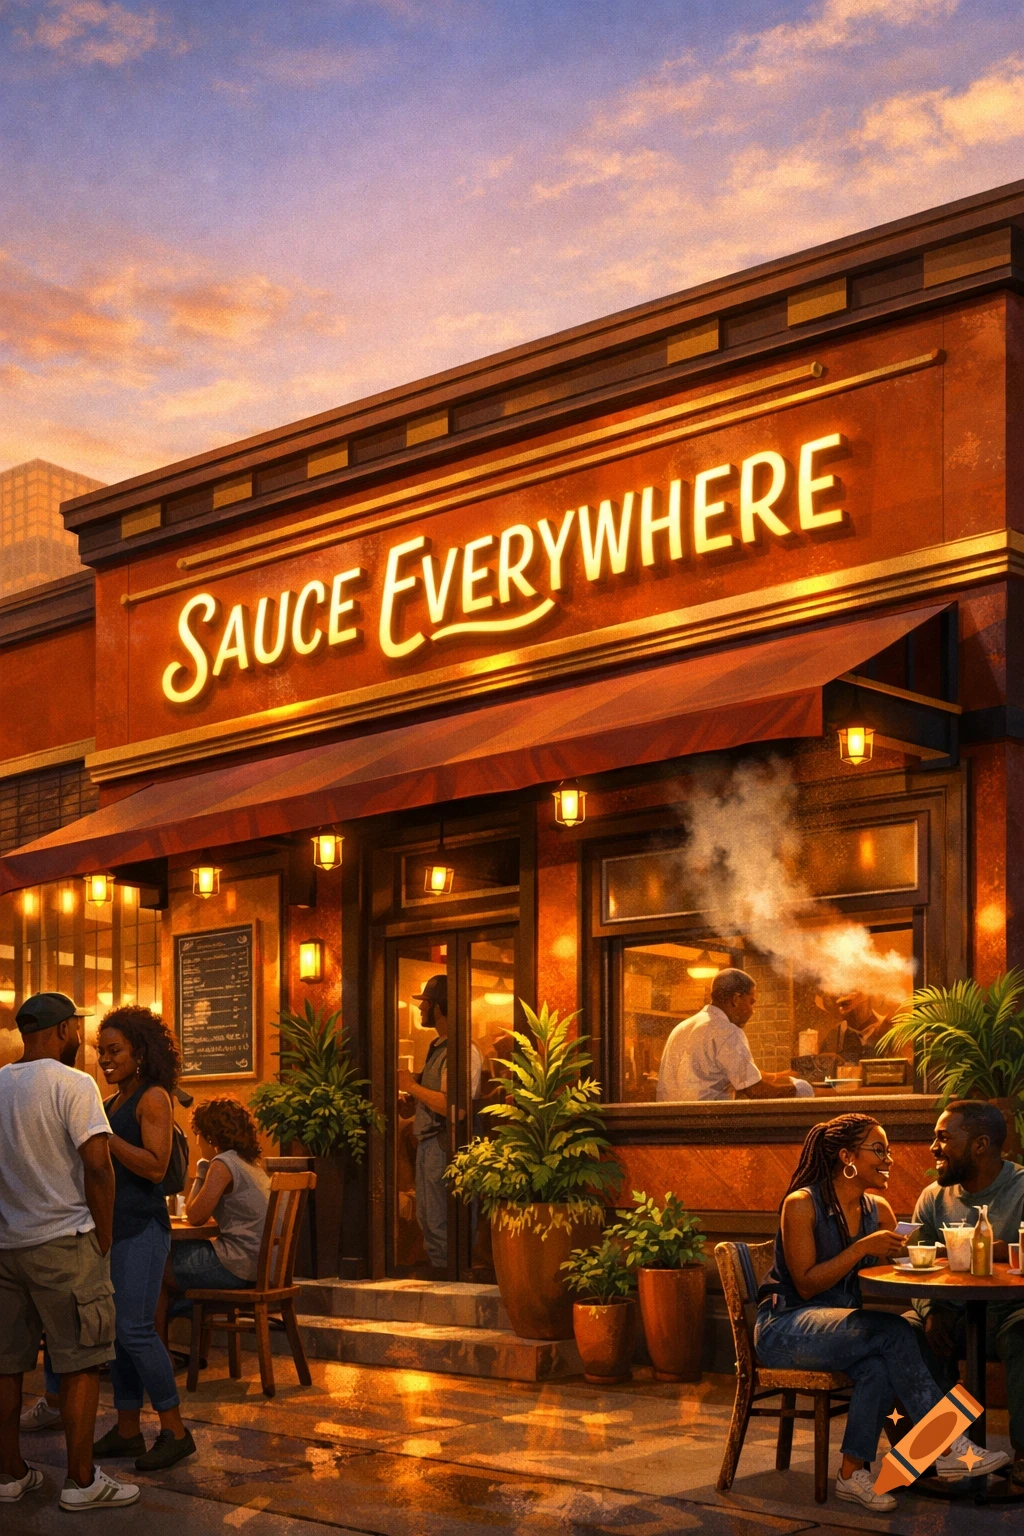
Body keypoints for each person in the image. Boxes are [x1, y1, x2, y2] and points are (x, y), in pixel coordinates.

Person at [754, 1112, 1010, 1512]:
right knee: (892, 1332)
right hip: (786, 1328)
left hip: (841, 1330)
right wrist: (860, 1247)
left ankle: (851, 1475)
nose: (889, 1159)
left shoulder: (880, 1211)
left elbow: (902, 1268)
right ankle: (948, 1445)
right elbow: (805, 1284)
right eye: (878, 1150)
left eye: (888, 1151)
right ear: (846, 1157)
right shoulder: (802, 1204)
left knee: (880, 1361)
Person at [0, 991, 138, 1511]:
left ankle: (10, 1473)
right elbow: (98, 1166)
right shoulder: (74, 1084)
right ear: (62, 1032)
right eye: (77, 1030)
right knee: (81, 1361)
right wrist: (103, 1235)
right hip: (64, 1243)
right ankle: (81, 1482)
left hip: (6, 1245)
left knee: (6, 1365)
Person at [94, 1006, 196, 1471]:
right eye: (101, 1051)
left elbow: (156, 1165)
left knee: (135, 1330)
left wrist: (103, 1137)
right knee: (118, 1335)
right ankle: (129, 1430)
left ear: (139, 1051)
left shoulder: (152, 1098)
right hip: (116, 1229)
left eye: (114, 1051)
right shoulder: (115, 1101)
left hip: (143, 1229)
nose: (105, 1060)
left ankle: (175, 1430)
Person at [908, 1100, 1024, 1490]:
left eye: (943, 1137)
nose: (933, 1147)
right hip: (951, 1310)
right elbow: (918, 1263)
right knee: (903, 1333)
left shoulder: (1022, 1188)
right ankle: (940, 1454)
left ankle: (1023, 1457)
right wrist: (930, 1309)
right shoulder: (933, 1198)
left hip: (1012, 1310)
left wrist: (993, 1249)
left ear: (979, 1144)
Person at [160, 1097, 270, 1332]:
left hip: (239, 1266)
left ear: (209, 1136)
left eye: (198, 1133)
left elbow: (195, 1215)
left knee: (155, 1263)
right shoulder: (250, 1163)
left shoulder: (223, 1164)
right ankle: (183, 1320)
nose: (197, 1140)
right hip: (261, 1266)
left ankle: (158, 1351)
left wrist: (201, 1169)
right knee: (170, 1261)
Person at [396, 975, 480, 1274]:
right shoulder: (440, 1047)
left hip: (446, 1145)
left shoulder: (462, 1050)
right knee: (429, 1219)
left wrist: (410, 1085)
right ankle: (442, 1276)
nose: (420, 1010)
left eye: (426, 1003)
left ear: (440, 1008)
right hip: (431, 1144)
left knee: (442, 1222)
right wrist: (413, 1103)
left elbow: (452, 1107)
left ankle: (452, 1281)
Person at [657, 969, 809, 1101]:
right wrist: (800, 1090)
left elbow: (717, 1074)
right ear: (736, 999)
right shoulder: (727, 1031)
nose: (752, 1011)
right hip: (708, 1127)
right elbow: (756, 1091)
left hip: (670, 1127)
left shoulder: (681, 1028)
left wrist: (775, 1076)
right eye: (751, 1002)